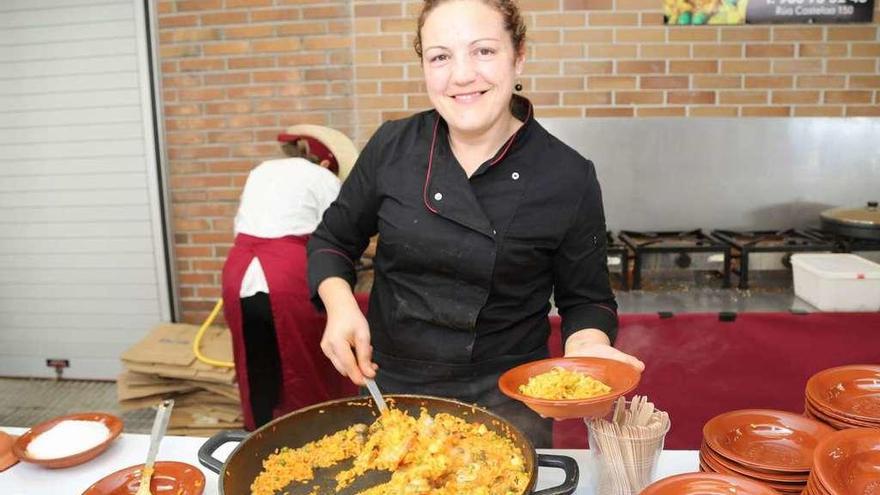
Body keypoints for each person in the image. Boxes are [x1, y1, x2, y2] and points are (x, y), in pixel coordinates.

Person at [307, 0, 644, 448]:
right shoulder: (393, 146)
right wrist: (340, 304)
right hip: (392, 388)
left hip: (509, 396)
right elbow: (333, 240)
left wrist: (586, 349)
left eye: (483, 51)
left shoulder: (568, 175)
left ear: (518, 55)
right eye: (440, 56)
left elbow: (587, 299)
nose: (461, 75)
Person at [222, 125, 359, 430]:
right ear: (328, 164)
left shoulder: (262, 170)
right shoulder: (323, 178)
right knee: (305, 362)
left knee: (256, 358)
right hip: (289, 272)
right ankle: (308, 433)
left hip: (239, 270)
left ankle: (258, 433)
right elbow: (338, 234)